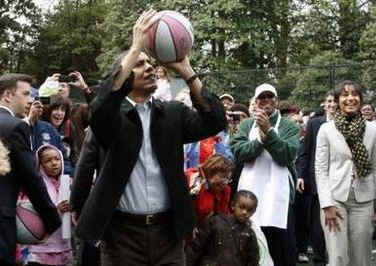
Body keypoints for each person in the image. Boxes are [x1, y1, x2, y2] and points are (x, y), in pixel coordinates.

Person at [71, 9, 226, 266]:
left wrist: (187, 71)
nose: (150, 68)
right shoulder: (111, 118)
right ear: (125, 72)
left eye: (150, 62)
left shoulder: (173, 114)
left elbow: (215, 121)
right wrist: (135, 48)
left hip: (169, 233)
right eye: (140, 64)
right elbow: (99, 110)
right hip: (121, 236)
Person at [231, 83, 300, 266]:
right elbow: (239, 152)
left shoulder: (289, 126)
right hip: (249, 193)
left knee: (281, 247)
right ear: (256, 101)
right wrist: (260, 140)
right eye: (262, 97)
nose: (266, 101)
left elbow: (286, 155)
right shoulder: (246, 125)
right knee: (250, 241)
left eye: (270, 97)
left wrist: (268, 132)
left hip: (280, 196)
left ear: (276, 100)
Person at [0, 73, 61, 266]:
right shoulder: (16, 127)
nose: (31, 100)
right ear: (8, 95)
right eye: (26, 94)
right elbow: (31, 178)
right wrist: (52, 222)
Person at [315, 80, 376, 266]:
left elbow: (374, 167)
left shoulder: (373, 130)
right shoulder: (326, 130)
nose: (350, 98)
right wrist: (326, 204)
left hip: (364, 201)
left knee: (361, 258)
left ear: (361, 99)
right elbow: (320, 169)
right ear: (337, 100)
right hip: (335, 200)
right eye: (344, 95)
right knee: (338, 257)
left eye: (354, 94)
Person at [297, 90, 336, 266]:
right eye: (328, 101)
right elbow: (305, 152)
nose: (332, 104)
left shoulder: (350, 124)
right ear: (324, 104)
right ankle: (320, 258)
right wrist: (301, 175)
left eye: (335, 100)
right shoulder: (314, 124)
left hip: (340, 180)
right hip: (317, 181)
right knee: (318, 224)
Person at [26, 145, 72, 266]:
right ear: (40, 165)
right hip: (41, 249)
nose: (54, 163)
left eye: (57, 159)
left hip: (63, 246)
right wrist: (56, 211)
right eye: (48, 160)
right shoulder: (37, 187)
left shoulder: (67, 184)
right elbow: (31, 217)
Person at [185, 190, 260, 266]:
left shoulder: (249, 234)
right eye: (241, 207)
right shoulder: (215, 222)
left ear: (253, 212)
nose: (245, 212)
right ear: (233, 205)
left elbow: (253, 260)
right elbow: (196, 247)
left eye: (249, 210)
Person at [185, 154, 234, 226]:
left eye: (227, 178)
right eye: (222, 177)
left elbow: (223, 214)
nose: (225, 182)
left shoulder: (225, 190)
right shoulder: (194, 180)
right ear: (210, 172)